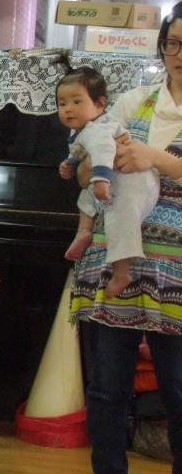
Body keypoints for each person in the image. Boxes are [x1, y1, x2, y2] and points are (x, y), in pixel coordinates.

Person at [70, 1, 182, 474]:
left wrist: (157, 160)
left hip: (176, 270)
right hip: (115, 259)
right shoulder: (135, 101)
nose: (181, 54)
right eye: (174, 43)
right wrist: (99, 164)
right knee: (108, 386)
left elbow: (158, 164)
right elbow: (84, 171)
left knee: (179, 389)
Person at [57, 64, 159, 299]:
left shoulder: (99, 129)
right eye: (62, 104)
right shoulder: (85, 130)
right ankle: (84, 231)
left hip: (134, 182)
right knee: (85, 197)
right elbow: (82, 152)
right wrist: (70, 163)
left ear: (100, 105)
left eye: (76, 102)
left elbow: (103, 151)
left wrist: (100, 180)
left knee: (117, 218)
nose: (68, 109)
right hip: (118, 176)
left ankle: (122, 273)